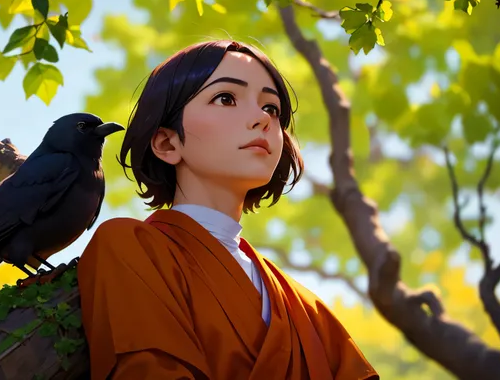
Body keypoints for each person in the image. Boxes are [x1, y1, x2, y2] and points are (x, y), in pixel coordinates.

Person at [77, 40, 378, 380]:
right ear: (167, 142)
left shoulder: (307, 308)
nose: (261, 119)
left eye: (272, 108)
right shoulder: (128, 247)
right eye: (226, 98)